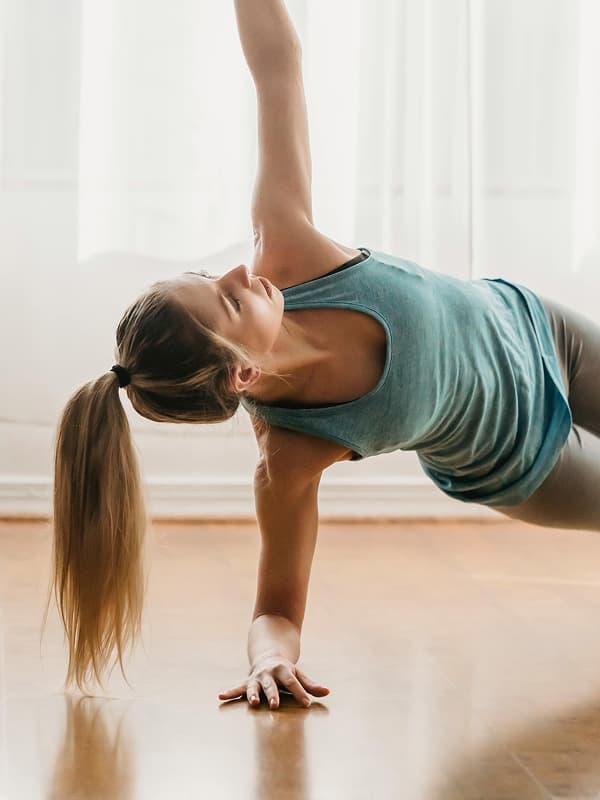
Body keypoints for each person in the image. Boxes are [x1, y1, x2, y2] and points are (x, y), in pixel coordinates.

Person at [47, 0, 600, 709]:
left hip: (544, 333)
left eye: (210, 276)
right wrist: (268, 661)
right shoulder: (292, 455)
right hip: (524, 461)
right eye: (229, 300)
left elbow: (278, 67)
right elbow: (276, 608)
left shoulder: (288, 244)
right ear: (241, 373)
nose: (240, 274)